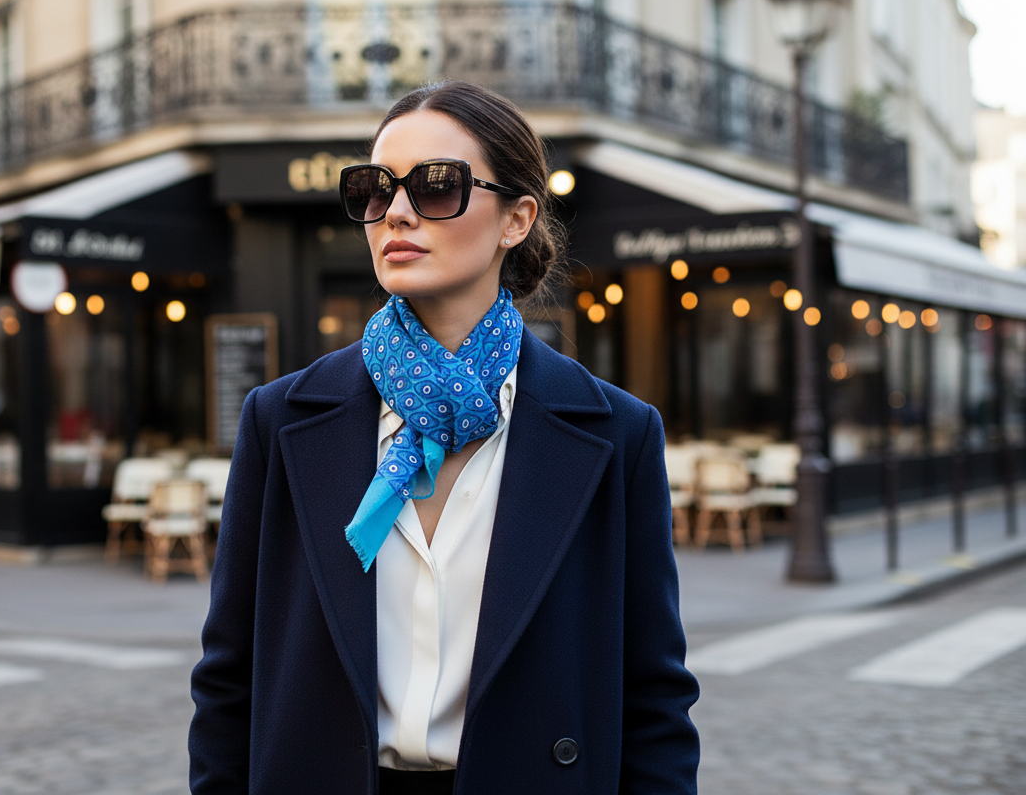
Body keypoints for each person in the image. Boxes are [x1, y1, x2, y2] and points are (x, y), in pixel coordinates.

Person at [189, 80, 699, 794]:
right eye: (374, 188)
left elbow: (653, 699)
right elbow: (228, 681)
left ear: (516, 218)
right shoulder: (280, 419)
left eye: (435, 186)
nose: (395, 211)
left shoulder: (618, 433)